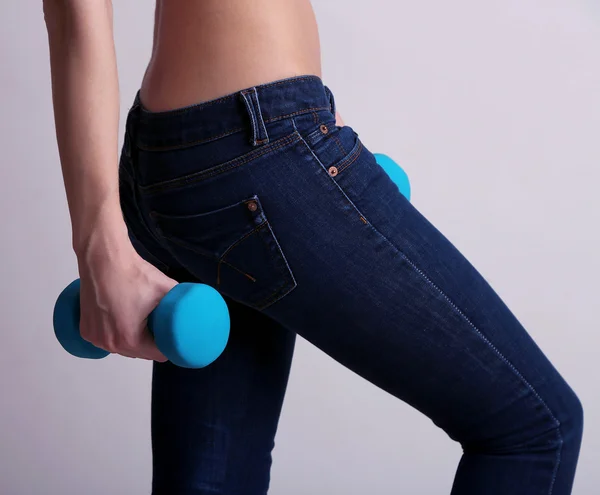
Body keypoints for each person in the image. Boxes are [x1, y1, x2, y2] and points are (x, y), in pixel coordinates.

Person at [43, 1, 583, 494]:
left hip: (208, 155)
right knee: (537, 430)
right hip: (260, 152)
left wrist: (322, 115)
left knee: (216, 481)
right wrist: (100, 249)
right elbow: (75, 21)